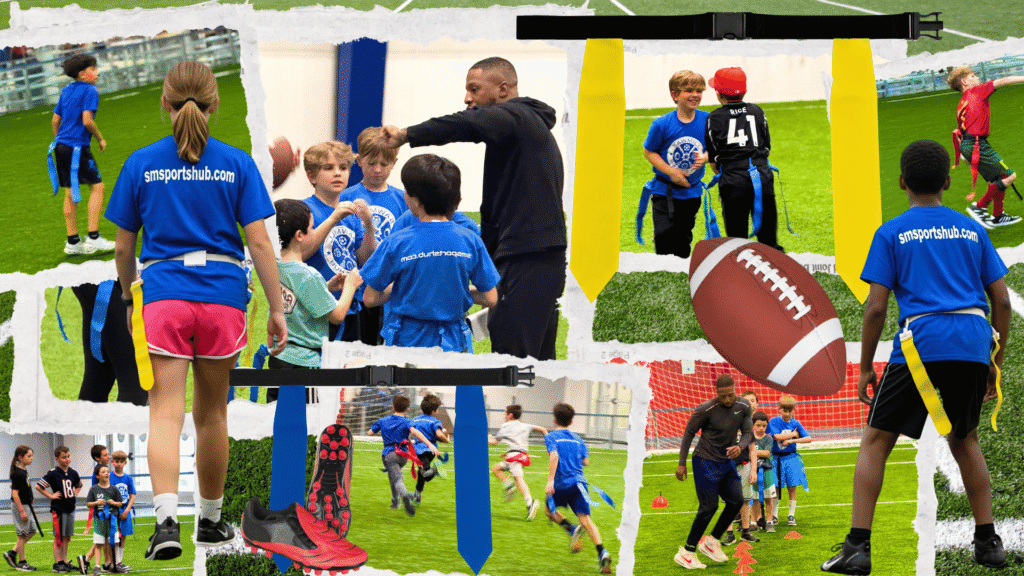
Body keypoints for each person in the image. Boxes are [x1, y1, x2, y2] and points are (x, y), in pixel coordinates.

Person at [106, 60, 287, 561]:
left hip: (163, 297)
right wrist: (277, 309)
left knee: (165, 414)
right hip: (223, 300)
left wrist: (129, 297)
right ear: (216, 103)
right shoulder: (237, 163)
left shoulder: (141, 162)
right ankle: (209, 523)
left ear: (164, 103)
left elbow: (123, 248)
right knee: (212, 416)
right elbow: (259, 243)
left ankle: (165, 524)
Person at [823, 140, 1011, 574]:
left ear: (901, 182)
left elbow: (876, 308)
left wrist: (865, 366)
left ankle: (857, 548)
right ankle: (988, 543)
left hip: (919, 344)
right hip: (971, 342)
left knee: (876, 440)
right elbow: (1000, 301)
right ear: (946, 182)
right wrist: (994, 364)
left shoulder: (891, 232)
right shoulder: (972, 230)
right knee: (965, 440)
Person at [381, 56, 565, 361]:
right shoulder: (523, 127)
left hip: (527, 257)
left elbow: (465, 124)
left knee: (512, 361)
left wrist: (406, 135)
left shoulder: (515, 116)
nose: (467, 98)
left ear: (503, 90)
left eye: (474, 89)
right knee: (536, 362)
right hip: (535, 257)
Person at [356, 154, 499, 353]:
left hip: (406, 344)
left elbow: (371, 298)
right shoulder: (470, 240)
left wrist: (409, 289)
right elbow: (490, 297)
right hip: (453, 344)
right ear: (456, 200)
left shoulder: (397, 241)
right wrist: (452, 290)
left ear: (414, 200)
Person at [265, 198, 362, 403]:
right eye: (312, 227)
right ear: (300, 235)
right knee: (306, 419)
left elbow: (294, 298)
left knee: (277, 415)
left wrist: (326, 287)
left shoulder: (274, 267)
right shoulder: (308, 275)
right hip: (304, 364)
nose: (314, 231)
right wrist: (350, 286)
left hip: (279, 359)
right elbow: (337, 316)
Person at [673, 374, 752, 570]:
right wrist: (681, 463)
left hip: (726, 461)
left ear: (735, 390)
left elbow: (748, 433)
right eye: (723, 396)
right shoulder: (706, 409)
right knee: (709, 506)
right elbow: (689, 433)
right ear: (717, 393)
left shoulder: (743, 406)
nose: (727, 399)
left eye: (731, 394)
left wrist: (740, 446)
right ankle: (687, 552)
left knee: (736, 500)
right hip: (704, 460)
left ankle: (711, 542)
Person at [301, 141, 377, 343]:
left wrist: (369, 224)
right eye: (328, 168)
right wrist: (333, 218)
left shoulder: (351, 214)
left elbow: (365, 258)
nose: (337, 173)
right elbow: (300, 252)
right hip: (317, 308)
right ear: (312, 176)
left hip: (349, 305)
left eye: (343, 168)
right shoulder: (304, 210)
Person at [341, 127, 409, 345]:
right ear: (359, 161)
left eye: (384, 164)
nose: (378, 170)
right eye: (371, 163)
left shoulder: (404, 200)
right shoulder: (345, 198)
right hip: (359, 290)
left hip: (390, 291)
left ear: (394, 163)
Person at [704, 67, 781, 251]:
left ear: (718, 93)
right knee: (769, 240)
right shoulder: (757, 111)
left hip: (733, 181)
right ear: (744, 91)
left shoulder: (713, 117)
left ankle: (741, 265)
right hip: (762, 178)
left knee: (737, 241)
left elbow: (714, 161)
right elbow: (766, 149)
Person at [639, 70, 709, 258]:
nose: (695, 95)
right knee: (663, 235)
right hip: (664, 190)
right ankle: (663, 266)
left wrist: (706, 157)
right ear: (675, 95)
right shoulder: (661, 124)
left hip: (692, 192)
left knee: (682, 239)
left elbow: (717, 147)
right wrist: (671, 172)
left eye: (699, 91)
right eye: (689, 90)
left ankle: (681, 267)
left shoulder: (708, 120)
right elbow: (649, 151)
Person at [50, 54, 114, 256]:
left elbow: (55, 120)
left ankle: (73, 242)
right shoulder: (90, 91)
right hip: (77, 147)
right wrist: (100, 138)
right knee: (97, 187)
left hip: (60, 146)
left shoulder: (67, 90)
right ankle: (94, 237)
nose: (97, 73)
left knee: (70, 192)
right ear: (83, 74)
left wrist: (60, 140)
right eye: (94, 69)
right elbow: (87, 121)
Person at [948, 66, 1024, 228]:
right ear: (965, 81)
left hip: (970, 144)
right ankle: (979, 206)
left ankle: (998, 216)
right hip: (976, 145)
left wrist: (963, 153)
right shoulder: (977, 91)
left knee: (998, 179)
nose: (977, 78)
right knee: (1009, 176)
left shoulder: (962, 102)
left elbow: (960, 128)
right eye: (973, 75)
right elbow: (1004, 80)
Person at [543, 403, 612, 574]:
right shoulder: (578, 439)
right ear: (571, 421)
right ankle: (602, 552)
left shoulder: (551, 437)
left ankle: (571, 529)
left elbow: (554, 455)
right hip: (580, 484)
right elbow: (585, 461)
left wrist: (550, 481)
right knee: (586, 519)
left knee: (548, 511)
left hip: (561, 484)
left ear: (554, 419)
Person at [71, 283, 145, 405]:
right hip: (113, 285)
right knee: (135, 386)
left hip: (102, 285)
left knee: (98, 378)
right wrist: (130, 300)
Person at [367, 395, 440, 516]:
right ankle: (395, 501)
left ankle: (405, 496)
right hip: (403, 456)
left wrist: (382, 429)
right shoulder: (407, 421)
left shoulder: (383, 420)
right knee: (393, 476)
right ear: (407, 409)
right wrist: (430, 444)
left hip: (389, 455)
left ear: (393, 407)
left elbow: (370, 432)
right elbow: (416, 433)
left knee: (397, 479)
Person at [489, 403, 548, 520]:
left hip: (514, 457)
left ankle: (530, 502)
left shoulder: (506, 426)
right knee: (496, 468)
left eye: (505, 413)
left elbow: (495, 442)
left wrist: (486, 437)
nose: (504, 415)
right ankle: (509, 485)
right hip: (520, 456)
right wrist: (549, 445)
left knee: (519, 479)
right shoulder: (525, 426)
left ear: (510, 415)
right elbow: (543, 429)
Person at [35, 446, 82, 574]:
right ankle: (57, 563)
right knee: (58, 537)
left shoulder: (73, 472)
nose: (67, 459)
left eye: (68, 456)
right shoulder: (53, 473)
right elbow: (39, 486)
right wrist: (50, 495)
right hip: (59, 509)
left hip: (70, 507)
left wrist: (76, 492)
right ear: (57, 459)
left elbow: (79, 484)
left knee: (66, 537)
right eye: (63, 457)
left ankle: (64, 561)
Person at [768, 395, 811, 526]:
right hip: (776, 459)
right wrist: (793, 434)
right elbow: (776, 436)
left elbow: (808, 439)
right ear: (779, 409)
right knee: (775, 487)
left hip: (791, 458)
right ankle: (774, 515)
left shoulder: (796, 423)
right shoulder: (774, 421)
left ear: (793, 410)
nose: (787, 414)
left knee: (792, 487)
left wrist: (792, 441)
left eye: (789, 411)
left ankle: (791, 515)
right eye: (784, 410)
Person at [724, 391, 759, 545]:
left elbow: (752, 450)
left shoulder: (747, 426)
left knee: (745, 500)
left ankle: (746, 531)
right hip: (728, 467)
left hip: (745, 465)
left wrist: (753, 470)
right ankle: (729, 534)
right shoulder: (725, 425)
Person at [410, 394, 450, 504]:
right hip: (432, 451)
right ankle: (417, 494)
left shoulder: (415, 419)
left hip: (420, 451)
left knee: (425, 474)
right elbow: (439, 435)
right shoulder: (435, 421)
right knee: (422, 472)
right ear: (433, 411)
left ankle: (435, 470)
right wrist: (446, 439)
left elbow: (410, 431)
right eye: (437, 409)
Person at [78, 445, 110, 574]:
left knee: (105, 537)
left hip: (106, 508)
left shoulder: (104, 471)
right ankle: (88, 559)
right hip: (102, 509)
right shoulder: (98, 474)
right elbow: (99, 492)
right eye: (105, 455)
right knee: (102, 537)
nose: (108, 457)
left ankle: (102, 562)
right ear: (97, 458)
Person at [85, 464, 122, 575]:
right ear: (97, 476)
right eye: (103, 472)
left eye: (108, 471)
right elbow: (88, 504)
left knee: (113, 543)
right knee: (98, 543)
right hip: (99, 521)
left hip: (112, 521)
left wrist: (113, 502)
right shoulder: (94, 489)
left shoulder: (114, 489)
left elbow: (120, 503)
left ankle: (113, 564)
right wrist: (96, 502)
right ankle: (97, 566)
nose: (106, 473)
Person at [5, 446, 37, 572]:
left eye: (31, 456)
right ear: (20, 457)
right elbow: (15, 494)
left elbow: (16, 486)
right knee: (22, 535)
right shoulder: (19, 472)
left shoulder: (23, 471)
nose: (31, 458)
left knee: (32, 531)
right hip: (21, 506)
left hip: (26, 504)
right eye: (29, 456)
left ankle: (13, 552)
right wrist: (22, 511)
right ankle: (22, 562)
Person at [750, 411, 777, 533]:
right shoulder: (749, 438)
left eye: (764, 425)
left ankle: (770, 521)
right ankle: (753, 522)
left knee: (768, 498)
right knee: (754, 498)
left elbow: (767, 453)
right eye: (758, 425)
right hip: (753, 472)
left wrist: (752, 452)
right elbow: (746, 454)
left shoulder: (768, 438)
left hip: (766, 471)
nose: (761, 428)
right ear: (753, 425)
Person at [109, 452, 136, 573]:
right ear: (112, 462)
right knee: (115, 536)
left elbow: (132, 495)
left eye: (121, 462)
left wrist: (127, 510)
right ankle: (115, 562)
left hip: (125, 509)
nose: (119, 464)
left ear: (125, 463)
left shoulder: (127, 478)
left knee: (123, 536)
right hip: (113, 510)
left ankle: (119, 561)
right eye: (116, 461)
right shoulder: (109, 476)